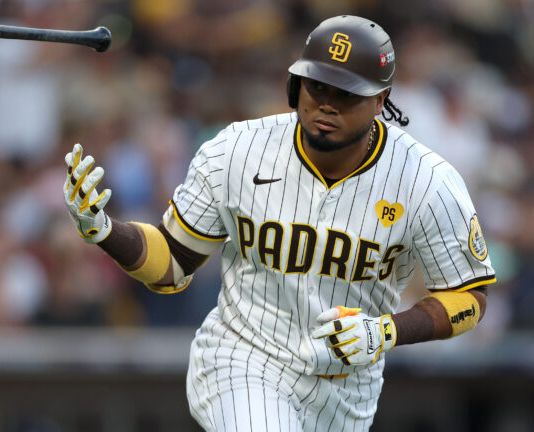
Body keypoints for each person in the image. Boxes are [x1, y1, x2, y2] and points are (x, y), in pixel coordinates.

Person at [63, 15, 495, 431]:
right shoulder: (237, 150)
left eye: (347, 92)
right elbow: (171, 264)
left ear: (380, 101)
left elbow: (469, 298)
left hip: (346, 394)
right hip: (243, 363)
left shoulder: (425, 181)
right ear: (295, 85)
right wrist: (105, 231)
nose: (327, 103)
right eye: (317, 85)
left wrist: (387, 330)